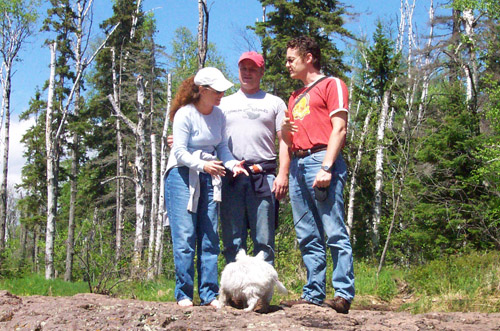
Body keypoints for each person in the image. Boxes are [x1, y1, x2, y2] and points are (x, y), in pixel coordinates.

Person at [280, 36, 355, 314]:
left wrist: (326, 166)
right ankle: (313, 293)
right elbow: (287, 139)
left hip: (321, 160)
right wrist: (284, 172)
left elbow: (340, 128)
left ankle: (343, 294)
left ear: (308, 57)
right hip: (298, 164)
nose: (287, 64)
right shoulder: (295, 96)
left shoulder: (331, 84)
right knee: (307, 233)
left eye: (291, 59)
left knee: (334, 230)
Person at [165, 67, 248, 309]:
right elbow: (179, 152)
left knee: (210, 236)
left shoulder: (219, 115)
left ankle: (209, 293)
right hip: (183, 175)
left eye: (223, 90)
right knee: (185, 236)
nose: (221, 94)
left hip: (210, 175)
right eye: (217, 90)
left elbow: (221, 148)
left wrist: (232, 164)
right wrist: (203, 165)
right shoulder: (185, 114)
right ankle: (183, 293)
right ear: (202, 91)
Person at [218, 51, 290, 265]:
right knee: (232, 239)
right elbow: (208, 134)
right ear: (238, 70)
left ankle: (261, 294)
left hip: (263, 176)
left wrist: (283, 174)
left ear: (261, 72)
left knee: (264, 240)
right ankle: (234, 291)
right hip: (231, 176)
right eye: (243, 68)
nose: (247, 73)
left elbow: (285, 140)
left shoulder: (275, 103)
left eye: (252, 69)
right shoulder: (223, 103)